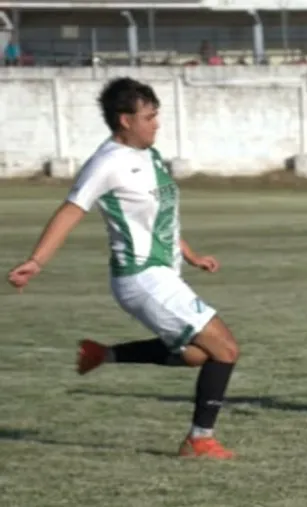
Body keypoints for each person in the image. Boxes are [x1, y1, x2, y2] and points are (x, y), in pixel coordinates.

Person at [6, 77, 239, 459]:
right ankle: (199, 440)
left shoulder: (151, 154)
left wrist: (190, 254)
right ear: (124, 120)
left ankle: (104, 354)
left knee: (199, 355)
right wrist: (37, 261)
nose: (156, 123)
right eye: (148, 116)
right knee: (226, 348)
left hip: (164, 271)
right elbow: (70, 211)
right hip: (142, 277)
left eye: (156, 115)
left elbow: (159, 216)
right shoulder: (107, 163)